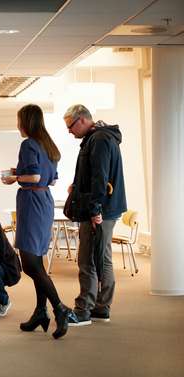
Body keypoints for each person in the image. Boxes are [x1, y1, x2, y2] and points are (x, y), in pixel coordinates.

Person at [1, 104, 71, 339]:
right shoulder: (48, 145)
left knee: (30, 264)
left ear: (26, 122)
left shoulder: (29, 144)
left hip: (31, 202)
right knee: (37, 261)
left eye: (19, 120)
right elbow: (50, 181)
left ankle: (59, 308)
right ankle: (41, 311)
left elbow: (34, 176)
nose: (17, 125)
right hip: (44, 200)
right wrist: (20, 171)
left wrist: (14, 177)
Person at [63, 104, 127, 326]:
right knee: (102, 257)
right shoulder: (101, 137)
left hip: (99, 210)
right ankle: (101, 307)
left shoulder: (99, 139)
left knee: (88, 259)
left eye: (70, 126)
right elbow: (95, 175)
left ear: (81, 120)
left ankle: (84, 309)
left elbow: (100, 178)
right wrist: (77, 185)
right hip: (106, 208)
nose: (69, 131)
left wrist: (95, 210)